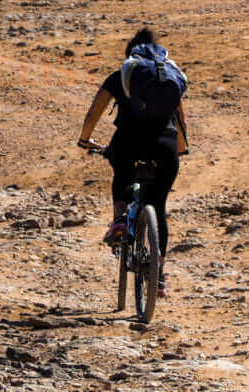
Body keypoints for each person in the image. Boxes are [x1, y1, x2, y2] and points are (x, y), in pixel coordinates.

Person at [76, 27, 187, 297]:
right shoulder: (167, 78)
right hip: (166, 145)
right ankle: (158, 276)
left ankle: (120, 221)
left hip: (129, 142)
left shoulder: (120, 77)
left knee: (122, 171)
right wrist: (180, 149)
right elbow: (181, 122)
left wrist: (84, 139)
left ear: (130, 58)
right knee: (158, 205)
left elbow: (94, 112)